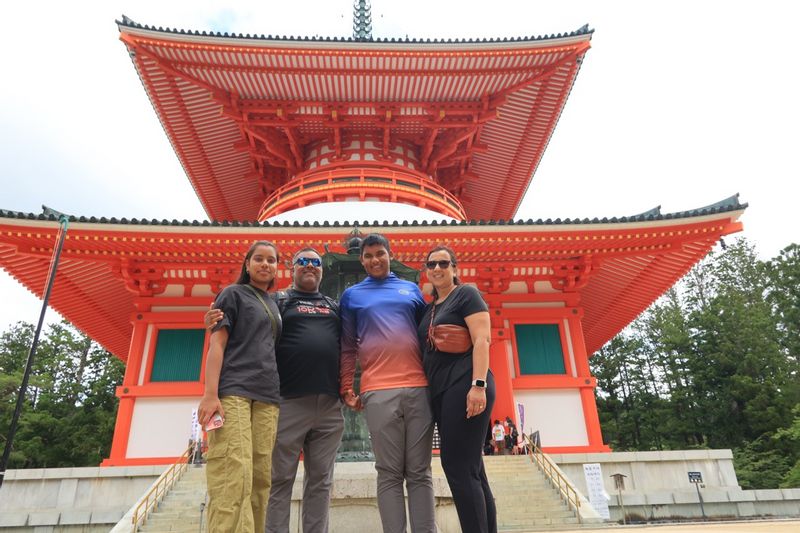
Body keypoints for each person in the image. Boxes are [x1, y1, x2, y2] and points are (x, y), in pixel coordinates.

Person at [205, 247, 344, 533]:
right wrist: (212, 322)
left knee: (319, 480)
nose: (309, 266)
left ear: (322, 269)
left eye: (315, 262)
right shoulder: (276, 301)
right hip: (286, 399)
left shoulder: (333, 305)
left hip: (327, 403)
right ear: (291, 269)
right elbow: (242, 329)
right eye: (301, 261)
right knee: (276, 477)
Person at [339, 233, 435, 533]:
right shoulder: (352, 295)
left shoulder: (411, 291)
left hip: (419, 387)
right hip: (377, 390)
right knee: (389, 472)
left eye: (380, 253)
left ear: (390, 254)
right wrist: (346, 385)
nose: (374, 260)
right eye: (368, 256)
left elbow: (428, 336)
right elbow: (347, 345)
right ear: (361, 259)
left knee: (420, 471)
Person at [198, 240, 282, 533]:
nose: (265, 264)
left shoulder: (274, 303)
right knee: (234, 471)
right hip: (234, 390)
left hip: (268, 396)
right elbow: (217, 344)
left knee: (260, 478)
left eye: (271, 260)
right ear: (247, 264)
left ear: (276, 268)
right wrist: (210, 395)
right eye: (258, 258)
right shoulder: (232, 294)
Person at [417, 245, 497, 533]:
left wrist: (478, 385)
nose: (436, 269)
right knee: (473, 470)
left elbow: (482, 340)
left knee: (458, 468)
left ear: (454, 268)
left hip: (465, 383)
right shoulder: (430, 308)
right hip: (441, 392)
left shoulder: (466, 294)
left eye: (443, 263)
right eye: (431, 264)